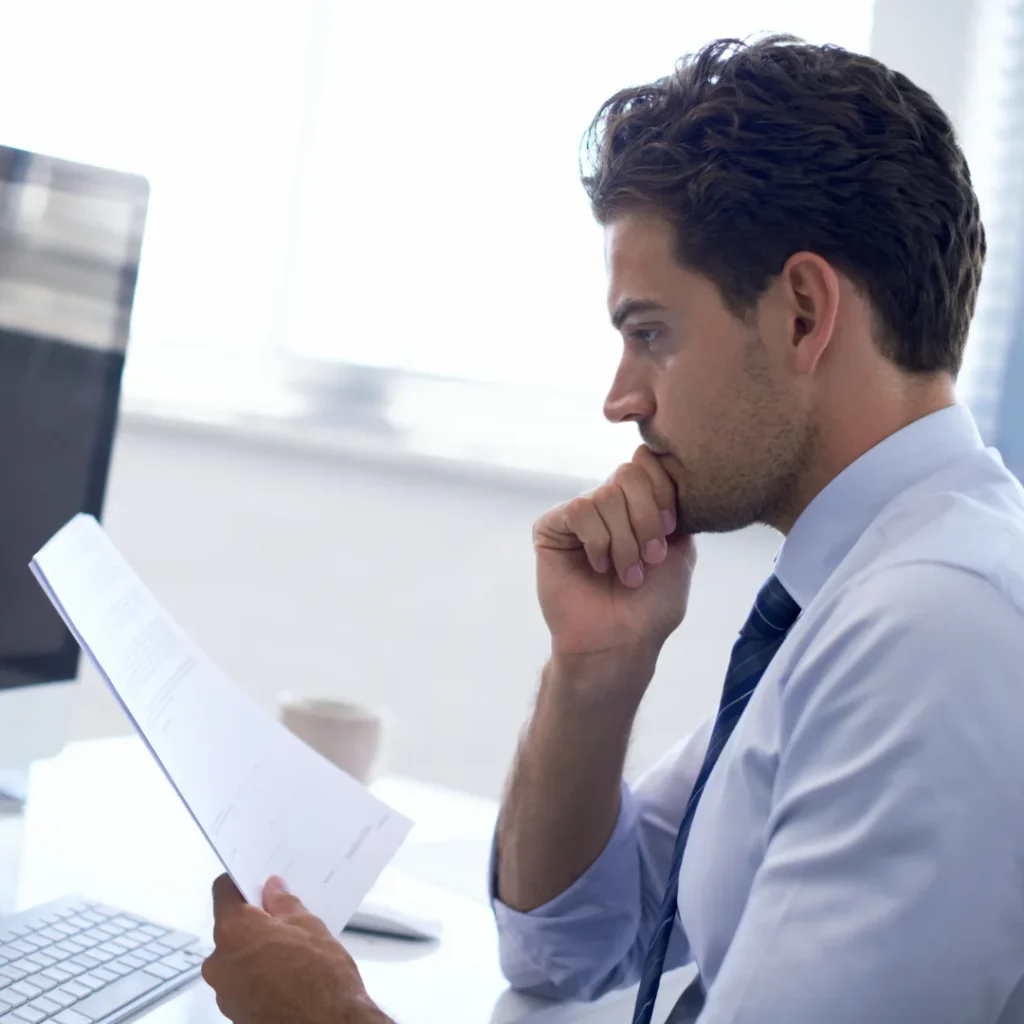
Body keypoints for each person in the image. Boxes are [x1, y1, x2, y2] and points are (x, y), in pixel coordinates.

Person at [201, 34, 1024, 1024]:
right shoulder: (858, 585)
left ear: (803, 313)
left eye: (650, 334)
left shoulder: (935, 629)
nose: (620, 398)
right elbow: (569, 947)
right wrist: (594, 671)